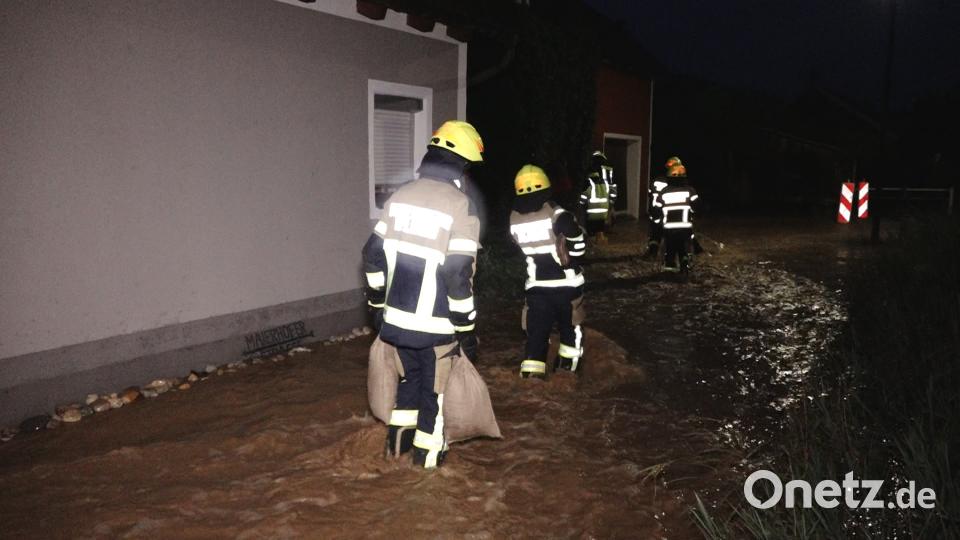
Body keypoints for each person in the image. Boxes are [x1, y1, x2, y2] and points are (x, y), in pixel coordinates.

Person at [362, 120, 483, 469]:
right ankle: (425, 482)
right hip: (436, 329)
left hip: (395, 324)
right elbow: (458, 273)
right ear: (461, 163)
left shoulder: (400, 196)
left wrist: (376, 304)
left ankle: (395, 456)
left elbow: (371, 255)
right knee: (435, 398)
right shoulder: (460, 206)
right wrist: (466, 327)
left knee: (409, 386)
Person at [509, 164, 586, 379]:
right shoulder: (557, 214)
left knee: (536, 334)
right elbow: (579, 249)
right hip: (567, 287)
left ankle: (531, 378)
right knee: (571, 329)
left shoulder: (513, 218)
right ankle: (566, 376)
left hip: (536, 288)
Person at [659, 163, 699, 273]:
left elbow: (657, 207)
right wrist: (692, 214)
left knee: (670, 246)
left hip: (669, 227)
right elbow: (696, 205)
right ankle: (684, 262)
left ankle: (670, 266)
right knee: (683, 246)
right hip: (685, 226)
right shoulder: (690, 190)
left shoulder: (664, 191)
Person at [643, 156, 682, 259]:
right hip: (666, 212)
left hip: (654, 211)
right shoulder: (674, 183)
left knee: (655, 233)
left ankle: (652, 253)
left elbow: (650, 194)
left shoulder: (656, 180)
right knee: (669, 234)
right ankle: (669, 256)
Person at [578, 151, 616, 244]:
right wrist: (611, 203)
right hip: (605, 201)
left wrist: (581, 202)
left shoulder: (591, 169)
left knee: (590, 222)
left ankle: (591, 239)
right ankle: (600, 238)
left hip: (591, 202)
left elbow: (586, 189)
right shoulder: (609, 169)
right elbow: (613, 188)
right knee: (601, 222)